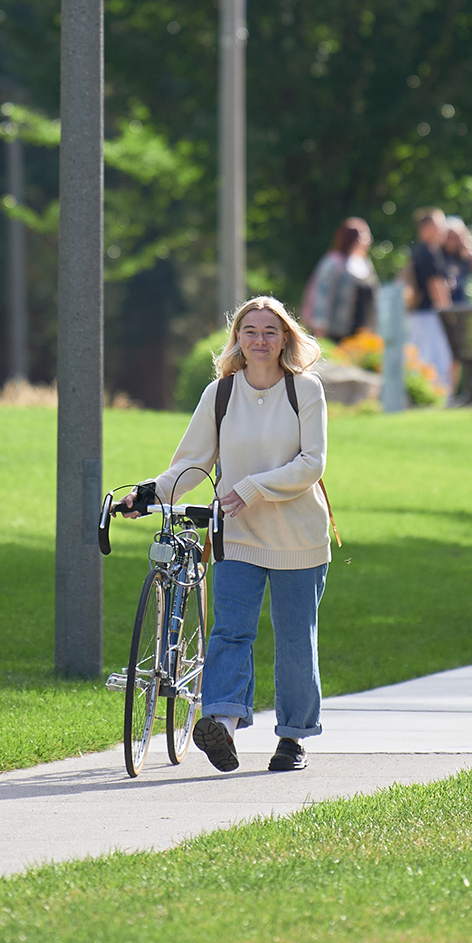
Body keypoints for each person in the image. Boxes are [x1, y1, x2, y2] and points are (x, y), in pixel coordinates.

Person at [129, 295, 330, 774]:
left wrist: (252, 488)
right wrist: (146, 494)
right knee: (230, 632)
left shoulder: (306, 391)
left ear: (285, 338)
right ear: (237, 337)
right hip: (236, 535)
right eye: (250, 331)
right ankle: (222, 722)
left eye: (269, 331)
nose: (259, 340)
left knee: (295, 641)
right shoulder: (220, 393)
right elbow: (194, 463)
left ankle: (293, 738)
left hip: (299, 537)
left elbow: (312, 464)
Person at [301, 218, 377, 340]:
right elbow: (322, 293)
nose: (369, 240)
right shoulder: (334, 262)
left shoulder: (365, 263)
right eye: (365, 235)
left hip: (360, 330)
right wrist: (319, 322)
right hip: (335, 329)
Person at [406, 207, 455, 392]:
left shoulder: (422, 252)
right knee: (435, 360)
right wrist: (449, 316)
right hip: (429, 317)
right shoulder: (427, 253)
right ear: (426, 228)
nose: (444, 229)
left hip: (421, 317)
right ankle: (437, 396)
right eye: (439, 225)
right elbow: (436, 288)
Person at [444, 219, 472, 305]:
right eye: (450, 237)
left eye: (456, 237)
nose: (452, 241)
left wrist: (467, 242)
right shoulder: (438, 254)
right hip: (443, 302)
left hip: (462, 301)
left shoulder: (463, 254)